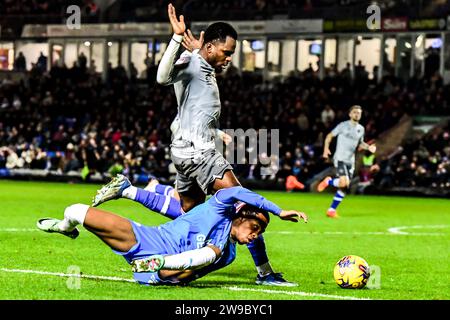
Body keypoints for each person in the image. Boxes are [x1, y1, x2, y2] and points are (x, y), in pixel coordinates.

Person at [155, 3, 294, 286]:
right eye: (226, 52)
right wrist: (177, 39)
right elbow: (162, 77)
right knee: (246, 203)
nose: (229, 58)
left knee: (192, 213)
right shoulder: (192, 62)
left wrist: (217, 132)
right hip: (200, 154)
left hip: (184, 154)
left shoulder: (201, 63)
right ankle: (265, 273)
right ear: (210, 47)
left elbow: (195, 108)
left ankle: (172, 264)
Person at [37, 185, 307, 285]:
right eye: (256, 229)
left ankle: (158, 264)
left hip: (162, 270)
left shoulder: (228, 253)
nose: (255, 237)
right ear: (242, 215)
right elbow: (237, 192)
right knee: (74, 210)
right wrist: (278, 210)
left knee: (211, 255)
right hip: (148, 240)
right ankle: (64, 228)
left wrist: (167, 270)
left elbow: (192, 274)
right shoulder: (218, 205)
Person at [317, 105, 377, 218]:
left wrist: (369, 147)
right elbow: (329, 136)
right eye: (354, 112)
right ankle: (329, 182)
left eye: (359, 113)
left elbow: (361, 143)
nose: (357, 114)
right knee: (344, 182)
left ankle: (331, 210)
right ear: (350, 114)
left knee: (345, 186)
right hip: (340, 158)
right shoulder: (343, 126)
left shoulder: (361, 129)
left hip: (351, 161)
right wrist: (326, 149)